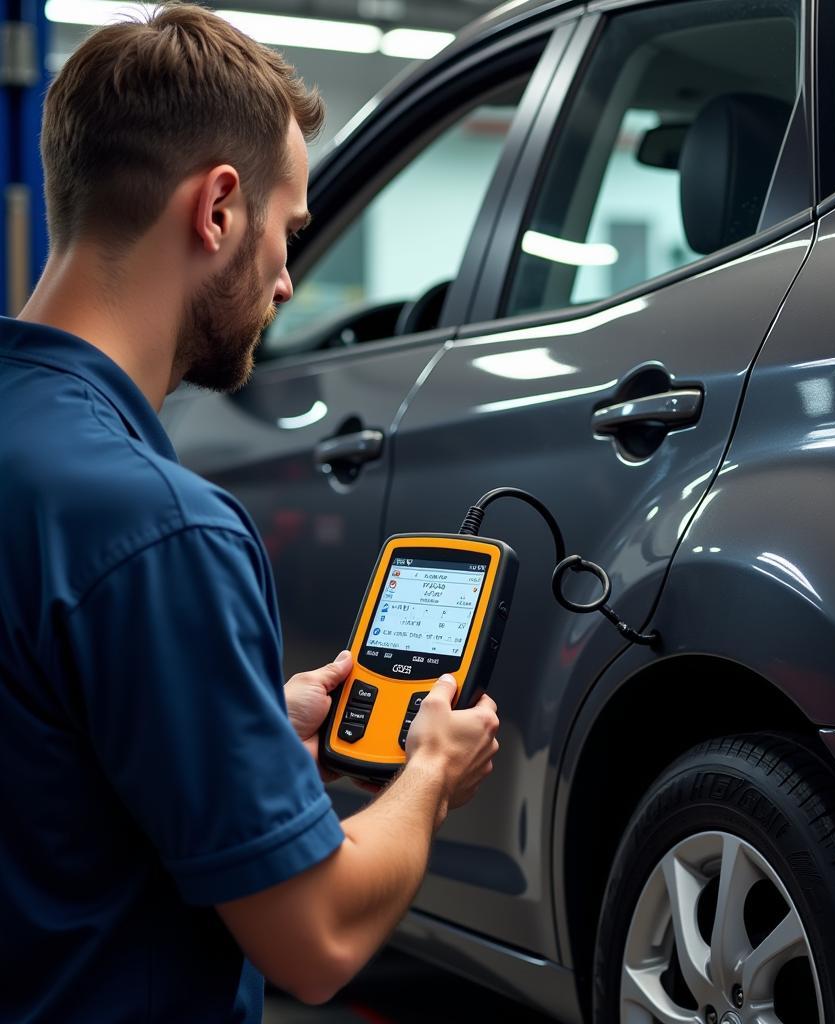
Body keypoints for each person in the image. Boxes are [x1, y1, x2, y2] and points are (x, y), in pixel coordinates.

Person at [0, 5, 499, 1021]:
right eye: (288, 233)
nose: (283, 280)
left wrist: (248, 728)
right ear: (218, 208)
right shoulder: (160, 527)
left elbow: (45, 767)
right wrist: (431, 777)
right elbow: (313, 937)